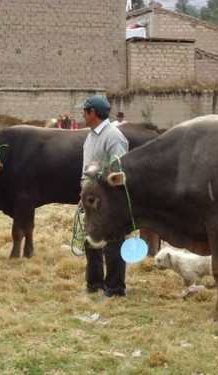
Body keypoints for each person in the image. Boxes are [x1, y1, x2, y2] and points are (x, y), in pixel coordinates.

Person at [77, 95, 129, 301]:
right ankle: (94, 285)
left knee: (113, 242)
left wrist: (100, 175)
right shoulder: (91, 135)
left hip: (110, 200)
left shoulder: (113, 136)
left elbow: (120, 169)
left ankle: (115, 289)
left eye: (84, 111)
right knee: (91, 241)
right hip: (93, 200)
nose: (82, 114)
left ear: (92, 113)